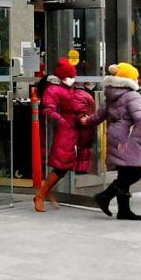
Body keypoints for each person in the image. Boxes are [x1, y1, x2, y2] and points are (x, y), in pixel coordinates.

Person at [84, 62, 141, 221]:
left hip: (115, 135)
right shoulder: (132, 96)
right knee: (135, 173)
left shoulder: (111, 94)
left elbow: (100, 115)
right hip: (127, 138)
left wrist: (88, 121)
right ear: (130, 80)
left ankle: (124, 210)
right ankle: (104, 196)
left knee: (124, 173)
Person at [35, 58, 96, 212]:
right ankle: (41, 195)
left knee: (64, 165)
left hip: (73, 130)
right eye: (69, 76)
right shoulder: (54, 90)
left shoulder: (68, 88)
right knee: (61, 165)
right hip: (65, 130)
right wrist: (61, 121)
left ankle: (44, 193)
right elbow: (48, 109)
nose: (72, 79)